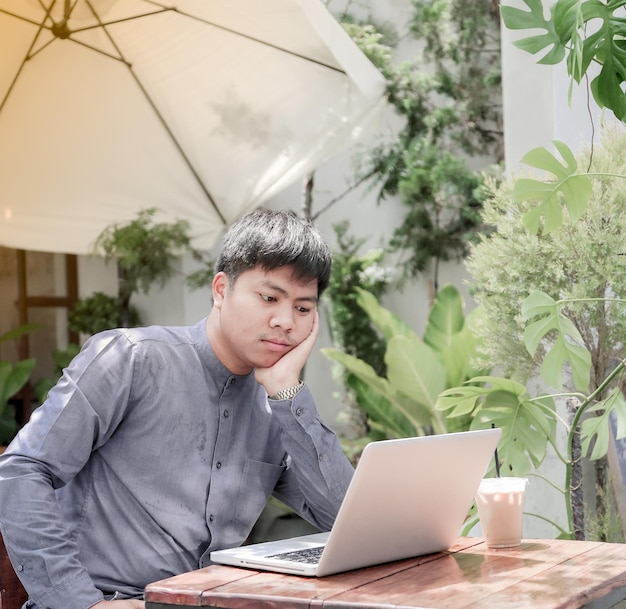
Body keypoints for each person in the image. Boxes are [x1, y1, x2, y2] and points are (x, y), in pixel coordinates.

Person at [0, 208, 354, 609]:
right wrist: (84, 604)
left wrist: (288, 392)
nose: (285, 321)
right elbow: (22, 470)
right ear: (221, 289)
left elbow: (346, 522)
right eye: (269, 297)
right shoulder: (130, 360)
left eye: (303, 308)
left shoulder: (276, 409)